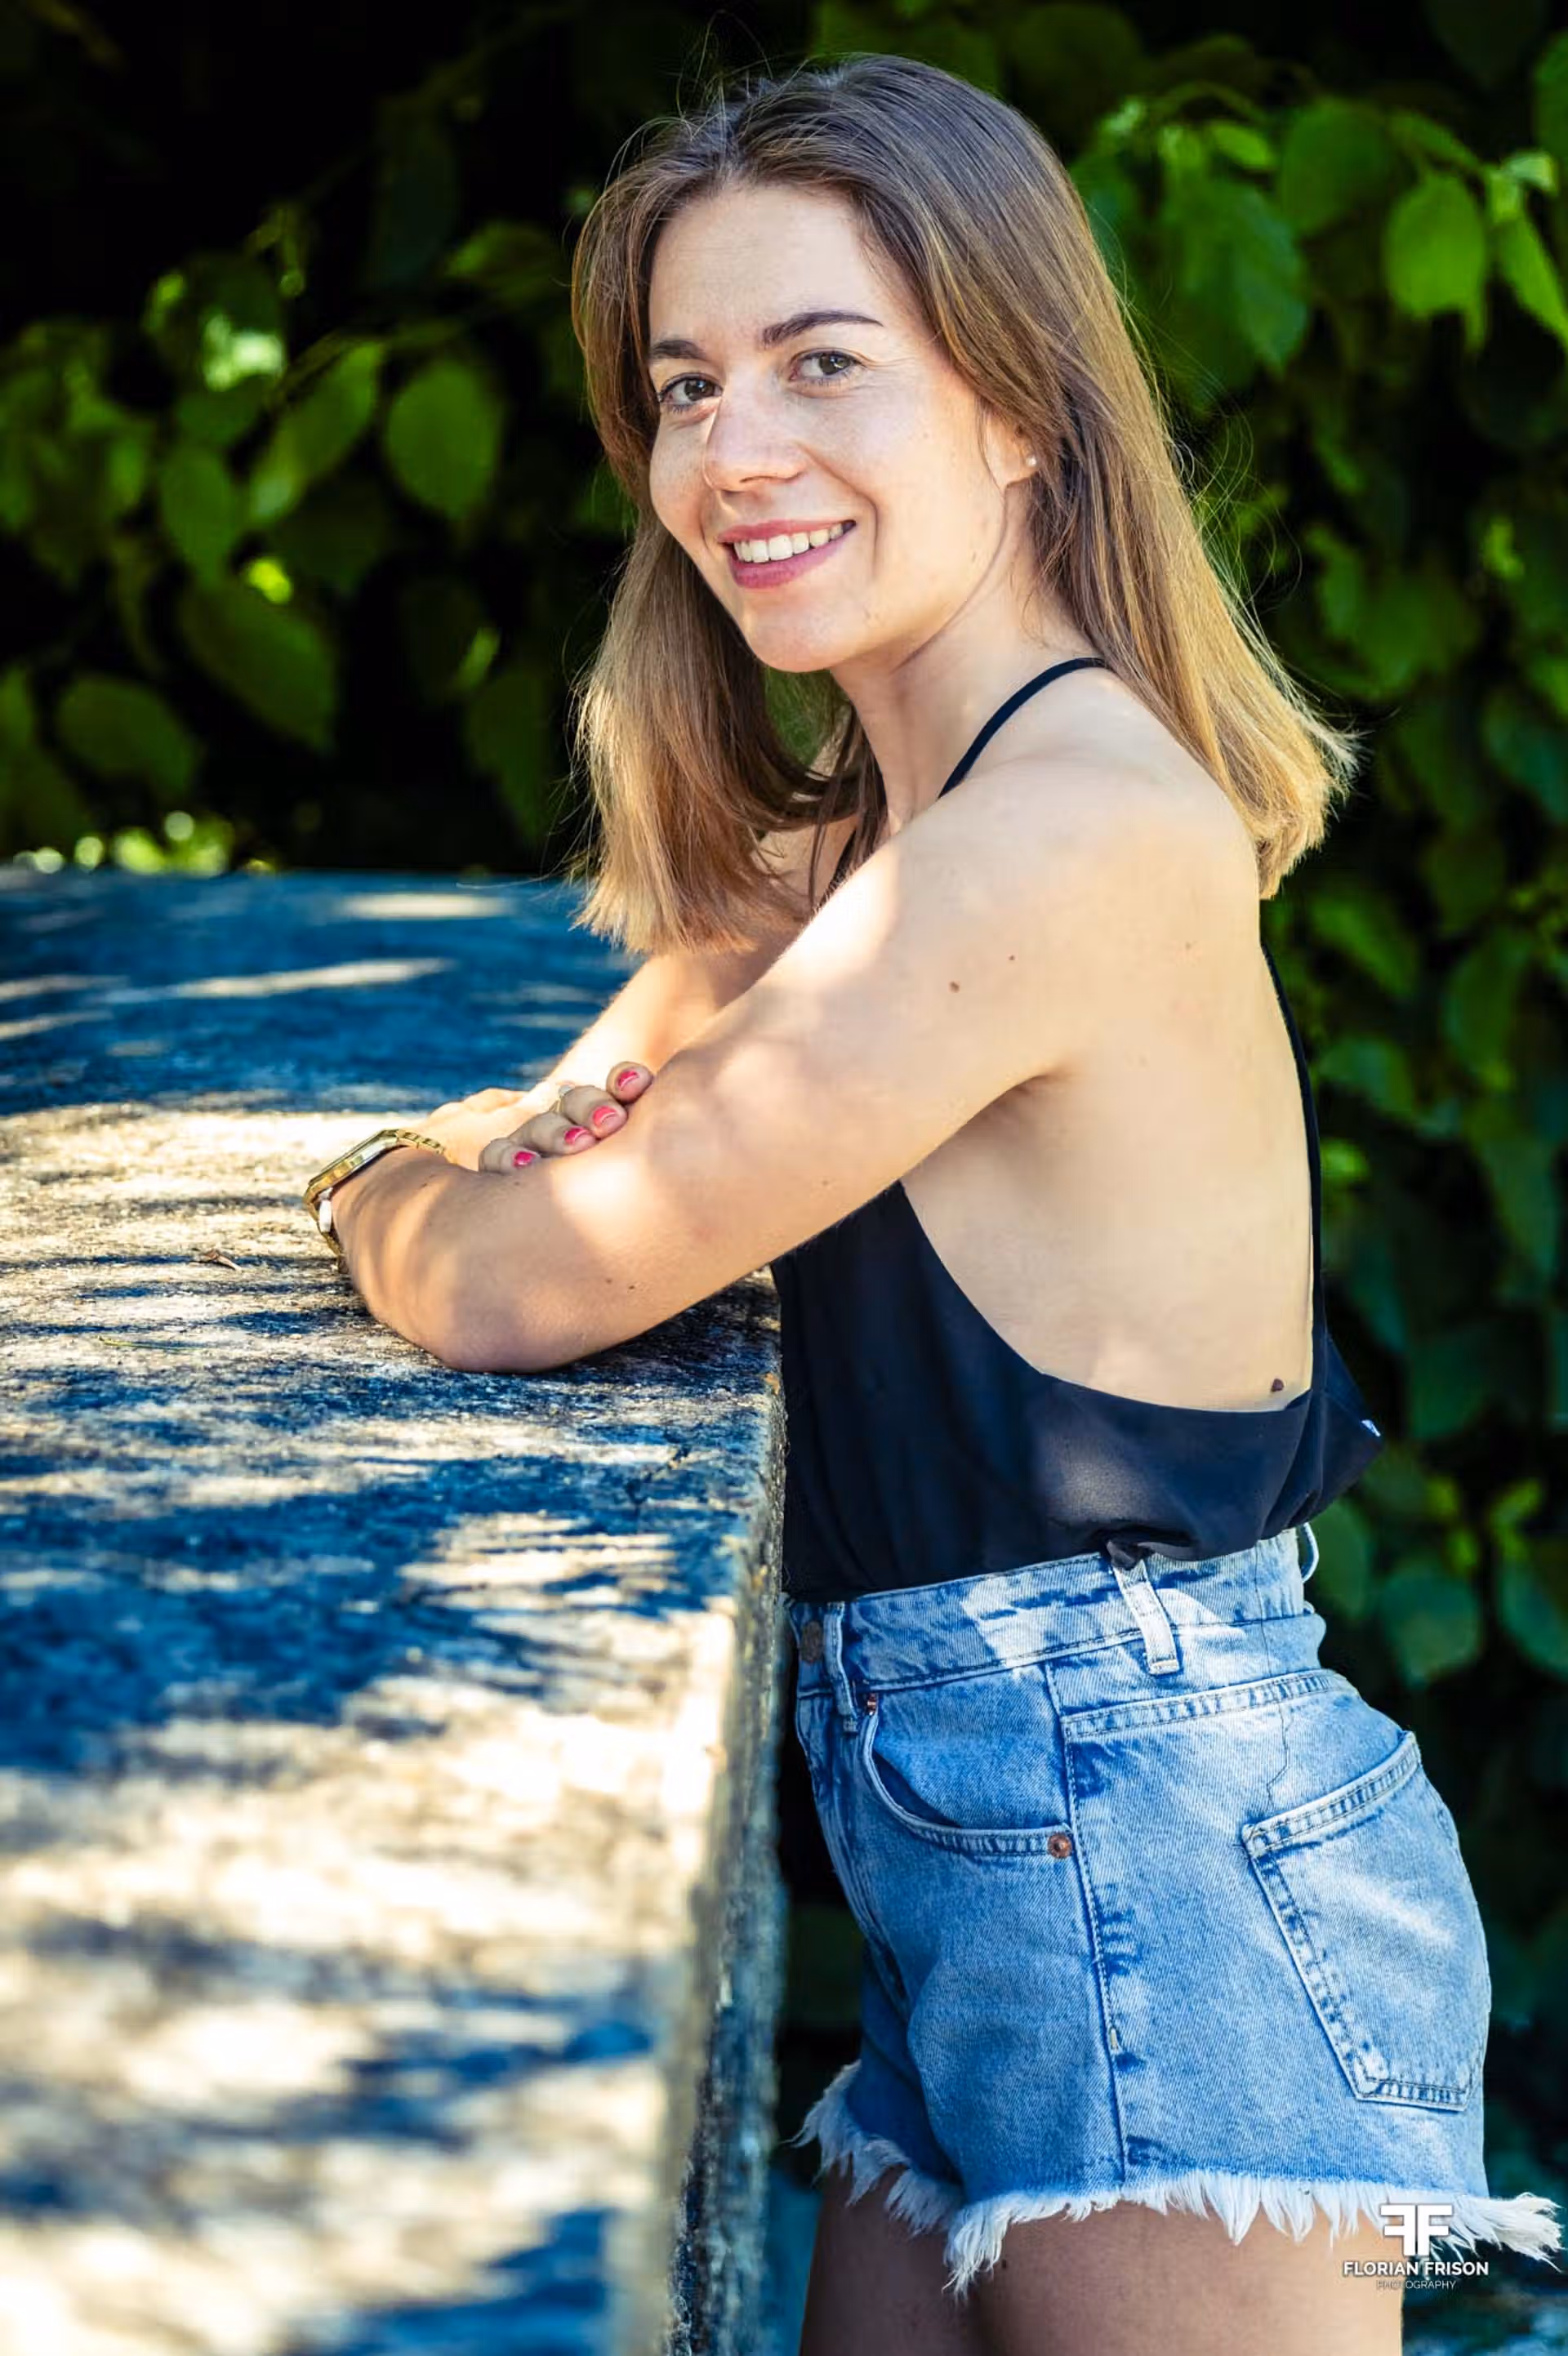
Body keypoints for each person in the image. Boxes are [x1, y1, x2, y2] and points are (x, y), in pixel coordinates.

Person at [301, 50, 1562, 2356]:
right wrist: (588, 1084)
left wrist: (357, 1180)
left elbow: (507, 1262)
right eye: (686, 384)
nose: (731, 450)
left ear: (1018, 406)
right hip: (992, 1860)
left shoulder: (1054, 840)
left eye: (821, 363)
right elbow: (626, 1071)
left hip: (1149, 1849)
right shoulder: (889, 849)